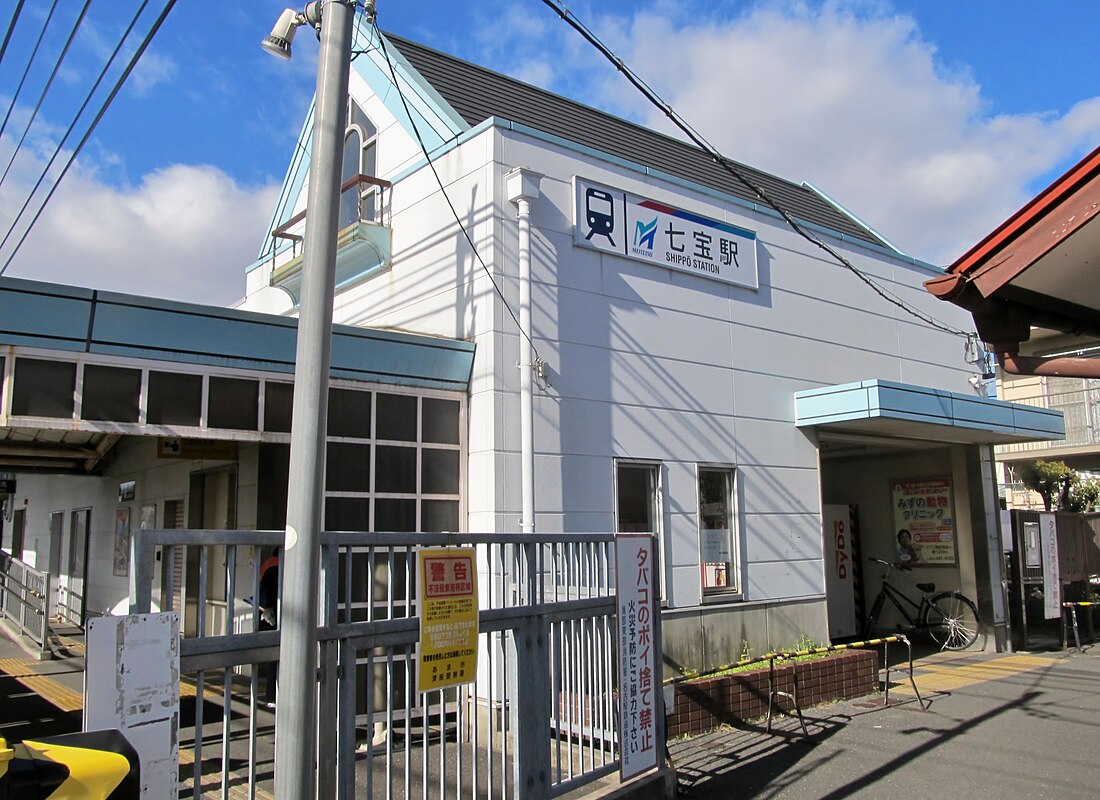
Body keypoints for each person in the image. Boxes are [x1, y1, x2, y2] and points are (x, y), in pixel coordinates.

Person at [258, 547, 280, 707]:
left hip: (268, 615)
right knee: (277, 658)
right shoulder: (277, 567)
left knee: (274, 658)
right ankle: (273, 696)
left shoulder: (268, 564)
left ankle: (272, 696)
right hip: (276, 615)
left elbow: (263, 591)